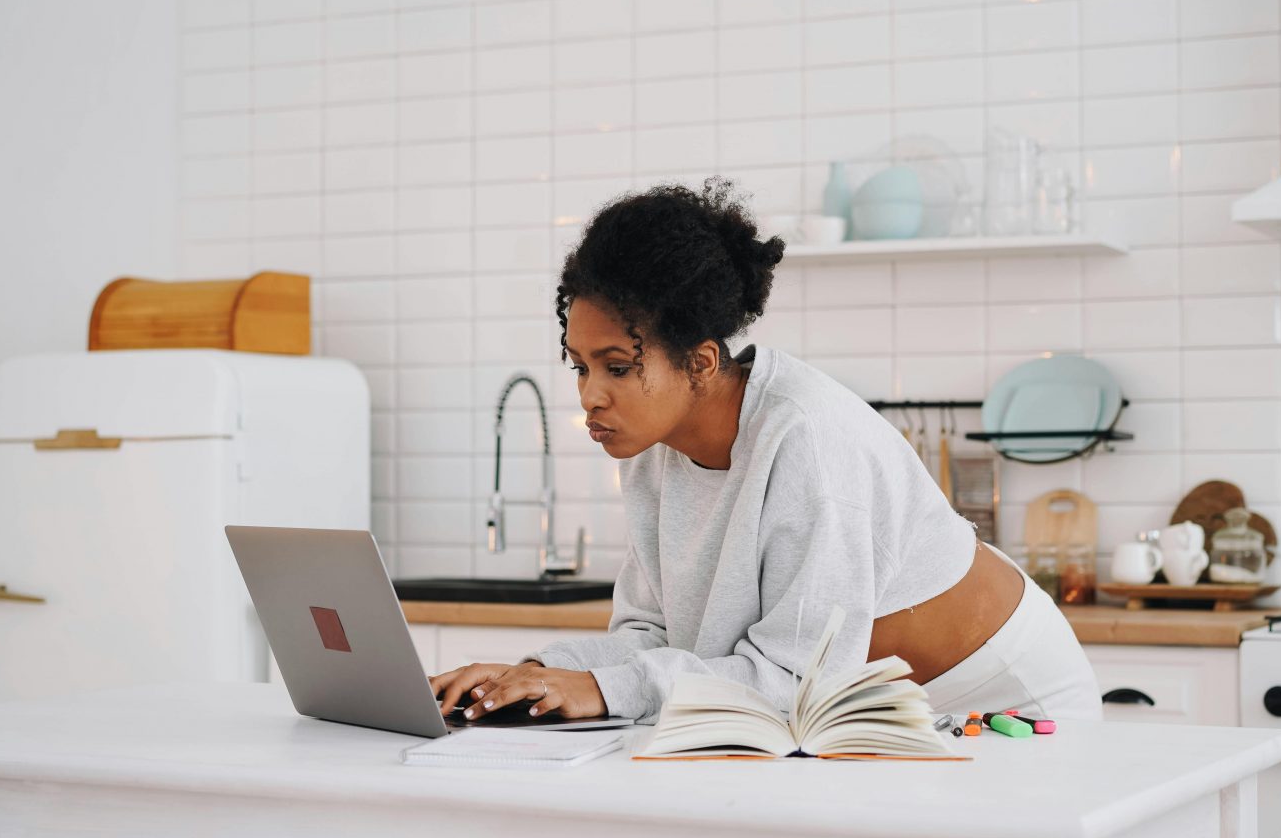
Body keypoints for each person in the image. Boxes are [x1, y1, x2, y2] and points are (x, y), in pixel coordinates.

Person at [429, 180, 1100, 725]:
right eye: (579, 365)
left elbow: (790, 677)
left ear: (699, 361)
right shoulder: (650, 448)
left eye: (616, 366)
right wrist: (533, 674)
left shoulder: (806, 437)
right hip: (875, 714)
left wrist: (601, 689)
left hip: (1008, 706)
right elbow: (652, 640)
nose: (591, 396)